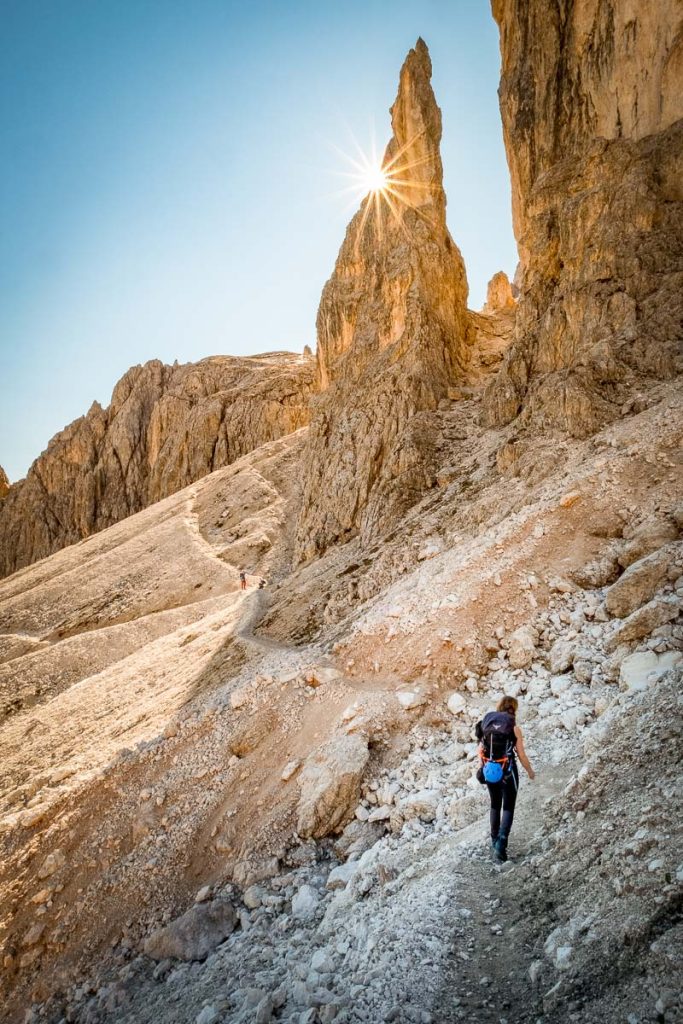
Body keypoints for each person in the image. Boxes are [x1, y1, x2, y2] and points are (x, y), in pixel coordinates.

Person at [475, 695, 535, 862]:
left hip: (490, 770)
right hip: (508, 771)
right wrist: (530, 771)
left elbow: (480, 749)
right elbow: (521, 754)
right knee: (508, 806)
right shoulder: (513, 727)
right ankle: (501, 844)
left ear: (499, 707)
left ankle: (494, 840)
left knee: (495, 804)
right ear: (513, 709)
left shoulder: (486, 722)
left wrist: (483, 768)